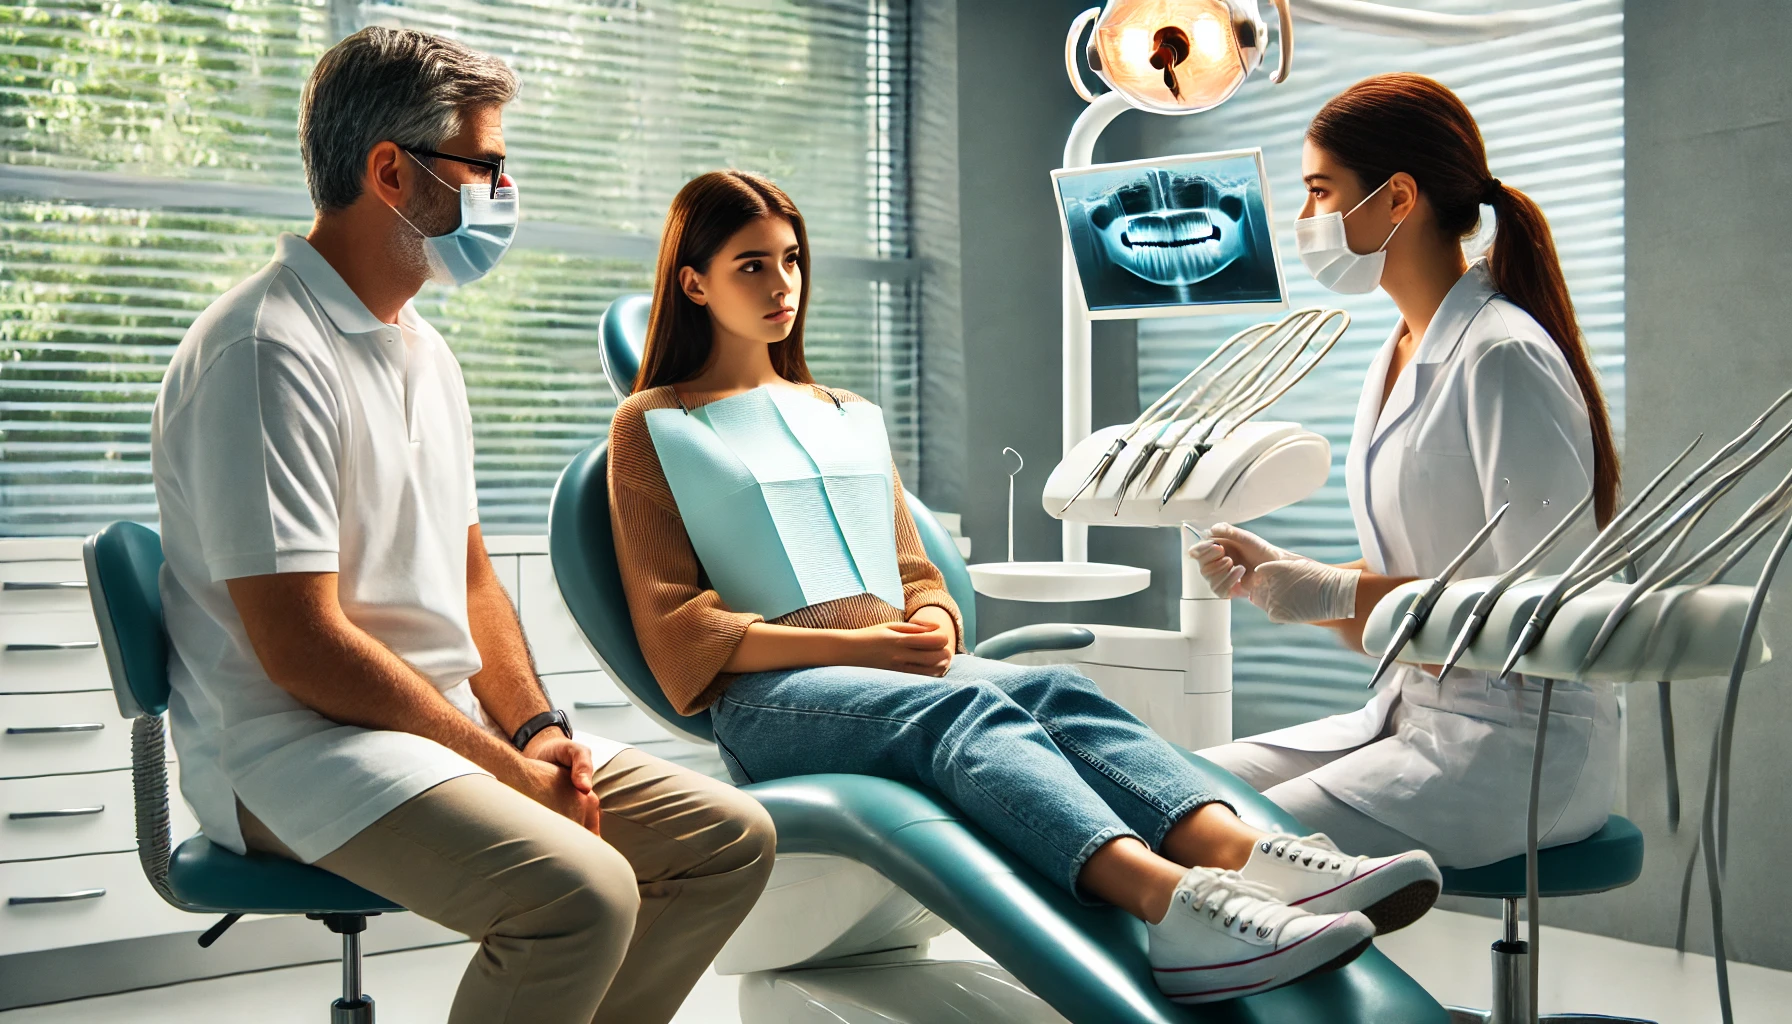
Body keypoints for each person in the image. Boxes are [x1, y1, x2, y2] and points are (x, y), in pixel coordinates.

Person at [605, 169, 1443, 1005]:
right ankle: (1173, 905)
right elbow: (679, 628)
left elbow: (914, 571)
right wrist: (860, 646)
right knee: (965, 709)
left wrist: (930, 616)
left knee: (1054, 687)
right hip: (770, 699)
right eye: (751, 265)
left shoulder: (843, 411)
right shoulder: (654, 425)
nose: (782, 283)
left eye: (791, 259)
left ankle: (1244, 856)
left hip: (893, 670)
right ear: (694, 282)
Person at [150, 29, 773, 1024]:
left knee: (726, 839)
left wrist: (537, 732)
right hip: (291, 754)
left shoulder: (423, 349)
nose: (502, 190)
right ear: (390, 173)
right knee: (581, 895)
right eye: (483, 165)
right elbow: (302, 649)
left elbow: (472, 574)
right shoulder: (263, 353)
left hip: (432, 730)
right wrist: (511, 774)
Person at [1193, 73, 1622, 869]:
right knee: (1176, 794)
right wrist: (1290, 580)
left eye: (1321, 191)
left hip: (1516, 750)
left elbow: (1546, 614)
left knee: (1218, 852)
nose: (1304, 219)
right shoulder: (1401, 349)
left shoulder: (1502, 355)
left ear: (1397, 199)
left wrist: (1329, 592)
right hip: (1414, 715)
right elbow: (1428, 572)